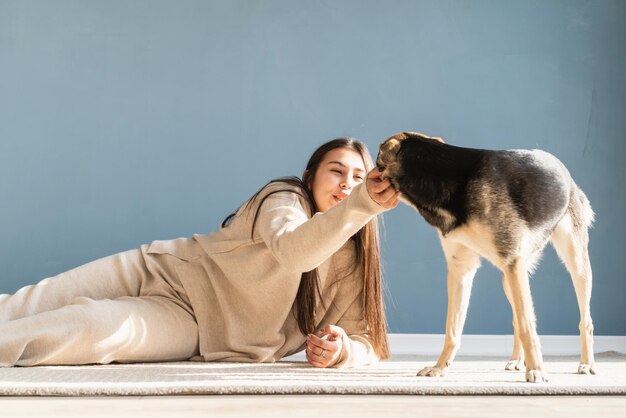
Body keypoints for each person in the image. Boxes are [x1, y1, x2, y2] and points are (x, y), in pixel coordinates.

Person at [0, 138, 399, 368]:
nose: (348, 184)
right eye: (337, 171)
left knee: (92, 326)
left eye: (359, 178)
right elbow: (295, 253)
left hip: (194, 324)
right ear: (310, 175)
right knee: (20, 307)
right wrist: (364, 203)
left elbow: (368, 341)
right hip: (163, 269)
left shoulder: (351, 258)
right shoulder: (284, 198)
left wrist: (342, 349)